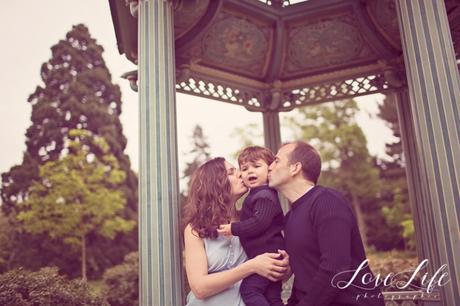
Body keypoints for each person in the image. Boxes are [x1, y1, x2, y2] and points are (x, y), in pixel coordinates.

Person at [268, 141, 384, 306]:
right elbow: (304, 275)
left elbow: (335, 267)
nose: (270, 167)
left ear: (295, 168)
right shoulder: (290, 217)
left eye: (277, 161)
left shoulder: (327, 202)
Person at [182, 157, 289, 306]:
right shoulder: (195, 229)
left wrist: (284, 267)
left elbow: (273, 270)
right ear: (215, 184)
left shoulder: (254, 221)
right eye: (231, 172)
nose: (240, 174)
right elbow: (199, 288)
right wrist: (251, 266)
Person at [217, 146, 285, 306]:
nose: (249, 172)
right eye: (245, 168)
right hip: (267, 255)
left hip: (269, 256)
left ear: (269, 170)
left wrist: (233, 229)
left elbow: (259, 223)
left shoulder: (264, 196)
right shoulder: (257, 194)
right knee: (272, 297)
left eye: (256, 166)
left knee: (250, 290)